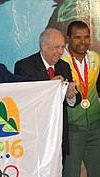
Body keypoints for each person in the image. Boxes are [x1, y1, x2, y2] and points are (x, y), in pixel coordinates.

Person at [14, 28, 81, 165]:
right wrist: (48, 87)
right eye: (57, 47)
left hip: (58, 138)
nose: (61, 52)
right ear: (43, 45)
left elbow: (75, 97)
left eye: (63, 47)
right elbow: (23, 100)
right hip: (34, 139)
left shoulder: (64, 66)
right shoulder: (24, 66)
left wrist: (70, 95)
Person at [61, 20, 100, 177]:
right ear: (68, 38)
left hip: (96, 128)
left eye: (86, 37)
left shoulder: (96, 58)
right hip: (72, 130)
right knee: (71, 174)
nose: (83, 42)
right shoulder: (61, 61)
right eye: (77, 37)